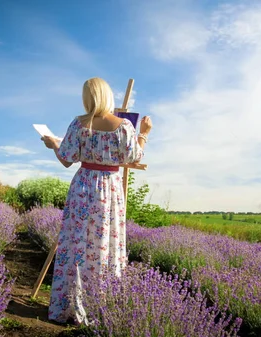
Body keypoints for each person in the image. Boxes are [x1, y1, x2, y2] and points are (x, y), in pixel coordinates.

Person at [40, 77, 152, 325]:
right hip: (110, 190)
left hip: (83, 186)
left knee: (75, 243)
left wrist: (52, 144)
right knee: (105, 243)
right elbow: (135, 155)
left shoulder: (79, 124)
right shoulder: (123, 126)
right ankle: (100, 305)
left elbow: (67, 158)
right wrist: (144, 133)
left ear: (87, 98)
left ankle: (67, 304)